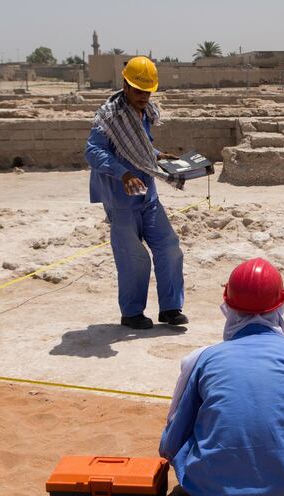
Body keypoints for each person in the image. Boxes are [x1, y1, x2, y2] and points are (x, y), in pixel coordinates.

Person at [159, 258, 284, 496]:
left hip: (206, 491)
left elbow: (170, 444)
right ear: (279, 306)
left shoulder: (206, 358)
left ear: (228, 306)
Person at [85, 56, 186, 329]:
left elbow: (136, 148)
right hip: (121, 198)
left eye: (148, 91)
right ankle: (131, 313)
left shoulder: (145, 113)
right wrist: (124, 174)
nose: (144, 96)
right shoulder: (109, 116)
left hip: (147, 194)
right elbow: (93, 151)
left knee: (168, 246)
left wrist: (157, 154)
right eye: (139, 90)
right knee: (133, 256)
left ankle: (170, 308)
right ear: (126, 86)